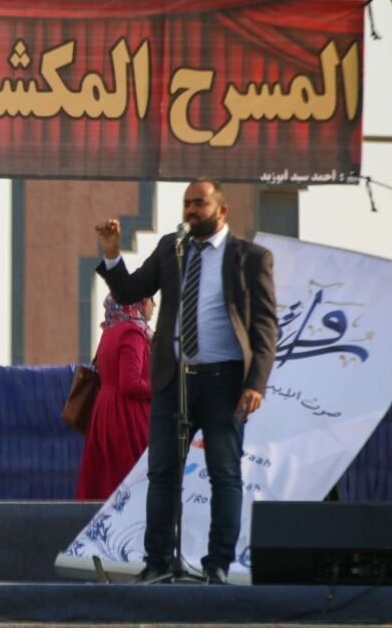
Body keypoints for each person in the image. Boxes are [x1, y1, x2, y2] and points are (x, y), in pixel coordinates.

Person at [94, 178, 278, 585]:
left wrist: (257, 383)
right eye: (187, 203)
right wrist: (111, 254)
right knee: (162, 473)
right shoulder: (171, 249)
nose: (191, 210)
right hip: (172, 379)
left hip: (224, 380)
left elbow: (266, 327)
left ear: (221, 211)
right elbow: (129, 292)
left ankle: (216, 565)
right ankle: (158, 561)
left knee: (224, 472)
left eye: (200, 203)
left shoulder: (250, 258)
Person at [75, 295, 154, 500]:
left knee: (105, 480)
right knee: (132, 481)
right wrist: (162, 389)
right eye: (150, 300)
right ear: (139, 303)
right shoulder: (132, 334)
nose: (154, 306)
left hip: (104, 412)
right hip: (127, 417)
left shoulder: (109, 332)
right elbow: (131, 383)